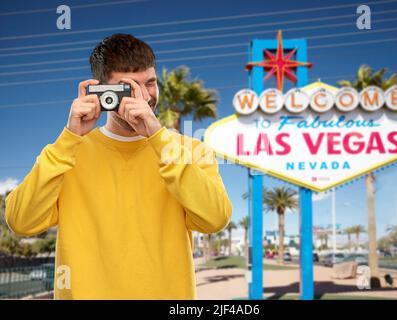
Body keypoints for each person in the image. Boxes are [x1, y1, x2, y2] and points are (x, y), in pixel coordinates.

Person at [4, 34, 232, 299]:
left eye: (150, 83)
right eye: (129, 88)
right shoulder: (67, 152)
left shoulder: (192, 151)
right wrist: (69, 138)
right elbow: (20, 221)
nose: (144, 97)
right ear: (101, 93)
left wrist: (158, 137)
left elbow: (216, 218)